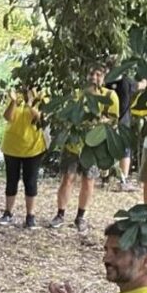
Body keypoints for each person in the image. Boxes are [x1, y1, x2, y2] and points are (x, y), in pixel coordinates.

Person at [51, 66, 119, 230]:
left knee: (88, 182)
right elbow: (67, 116)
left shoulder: (110, 96)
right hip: (73, 145)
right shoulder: (77, 94)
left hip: (94, 147)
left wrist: (100, 122)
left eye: (98, 74)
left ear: (104, 77)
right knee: (67, 178)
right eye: (91, 73)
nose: (94, 77)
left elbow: (114, 120)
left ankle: (81, 217)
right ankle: (60, 214)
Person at [0, 88, 45, 229]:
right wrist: (12, 101)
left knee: (30, 181)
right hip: (12, 146)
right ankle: (8, 213)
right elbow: (8, 117)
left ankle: (30, 216)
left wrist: (30, 103)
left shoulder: (42, 96)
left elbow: (40, 118)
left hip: (33, 147)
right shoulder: (14, 95)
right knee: (11, 180)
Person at [105, 62, 137, 190]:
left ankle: (107, 178)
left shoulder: (106, 83)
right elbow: (139, 86)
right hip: (122, 122)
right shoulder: (127, 82)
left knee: (109, 148)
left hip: (109, 120)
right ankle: (123, 180)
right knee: (125, 150)